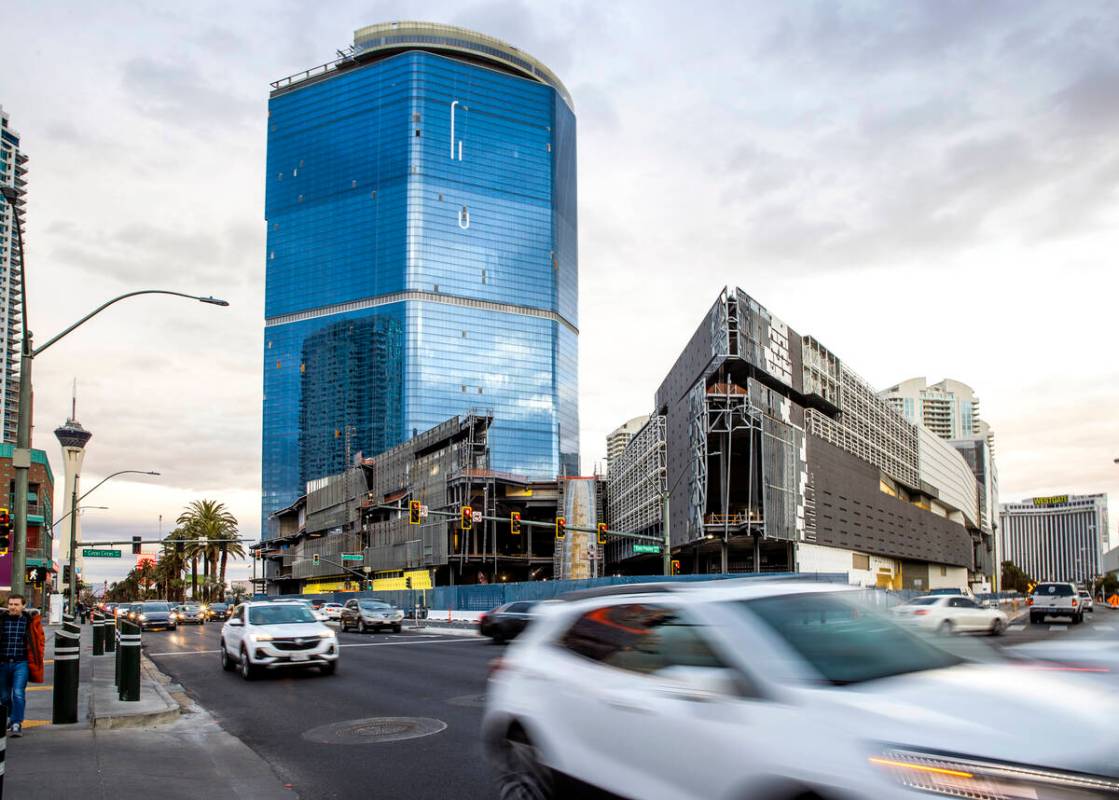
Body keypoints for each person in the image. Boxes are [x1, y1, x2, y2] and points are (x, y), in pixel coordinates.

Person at [0, 593, 46, 737]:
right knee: (4, 696)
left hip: (21, 663)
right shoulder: (2, 620)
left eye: (16, 604)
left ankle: (16, 723)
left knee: (18, 693)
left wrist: (39, 656)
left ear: (23, 606)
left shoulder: (29, 622)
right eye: (11, 604)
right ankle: (10, 717)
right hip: (3, 663)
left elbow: (40, 641)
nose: (13, 607)